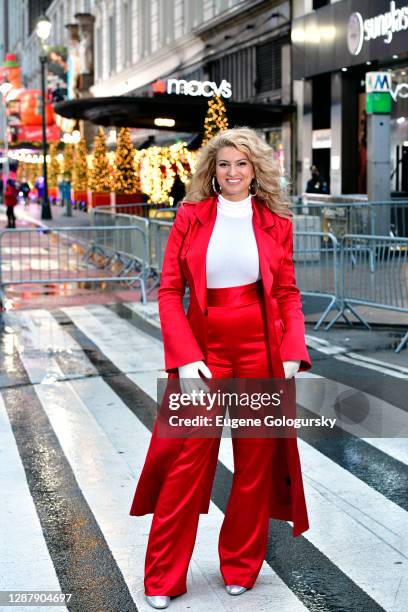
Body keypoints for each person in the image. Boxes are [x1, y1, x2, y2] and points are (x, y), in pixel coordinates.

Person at [129, 127, 312, 610]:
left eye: (242, 164)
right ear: (212, 170)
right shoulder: (190, 216)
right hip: (202, 352)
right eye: (224, 164)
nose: (232, 172)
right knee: (187, 465)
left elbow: (287, 293)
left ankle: (240, 565)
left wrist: (292, 348)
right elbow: (170, 290)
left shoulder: (275, 220)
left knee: (254, 465)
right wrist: (185, 355)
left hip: (261, 349)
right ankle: (163, 576)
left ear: (256, 170)